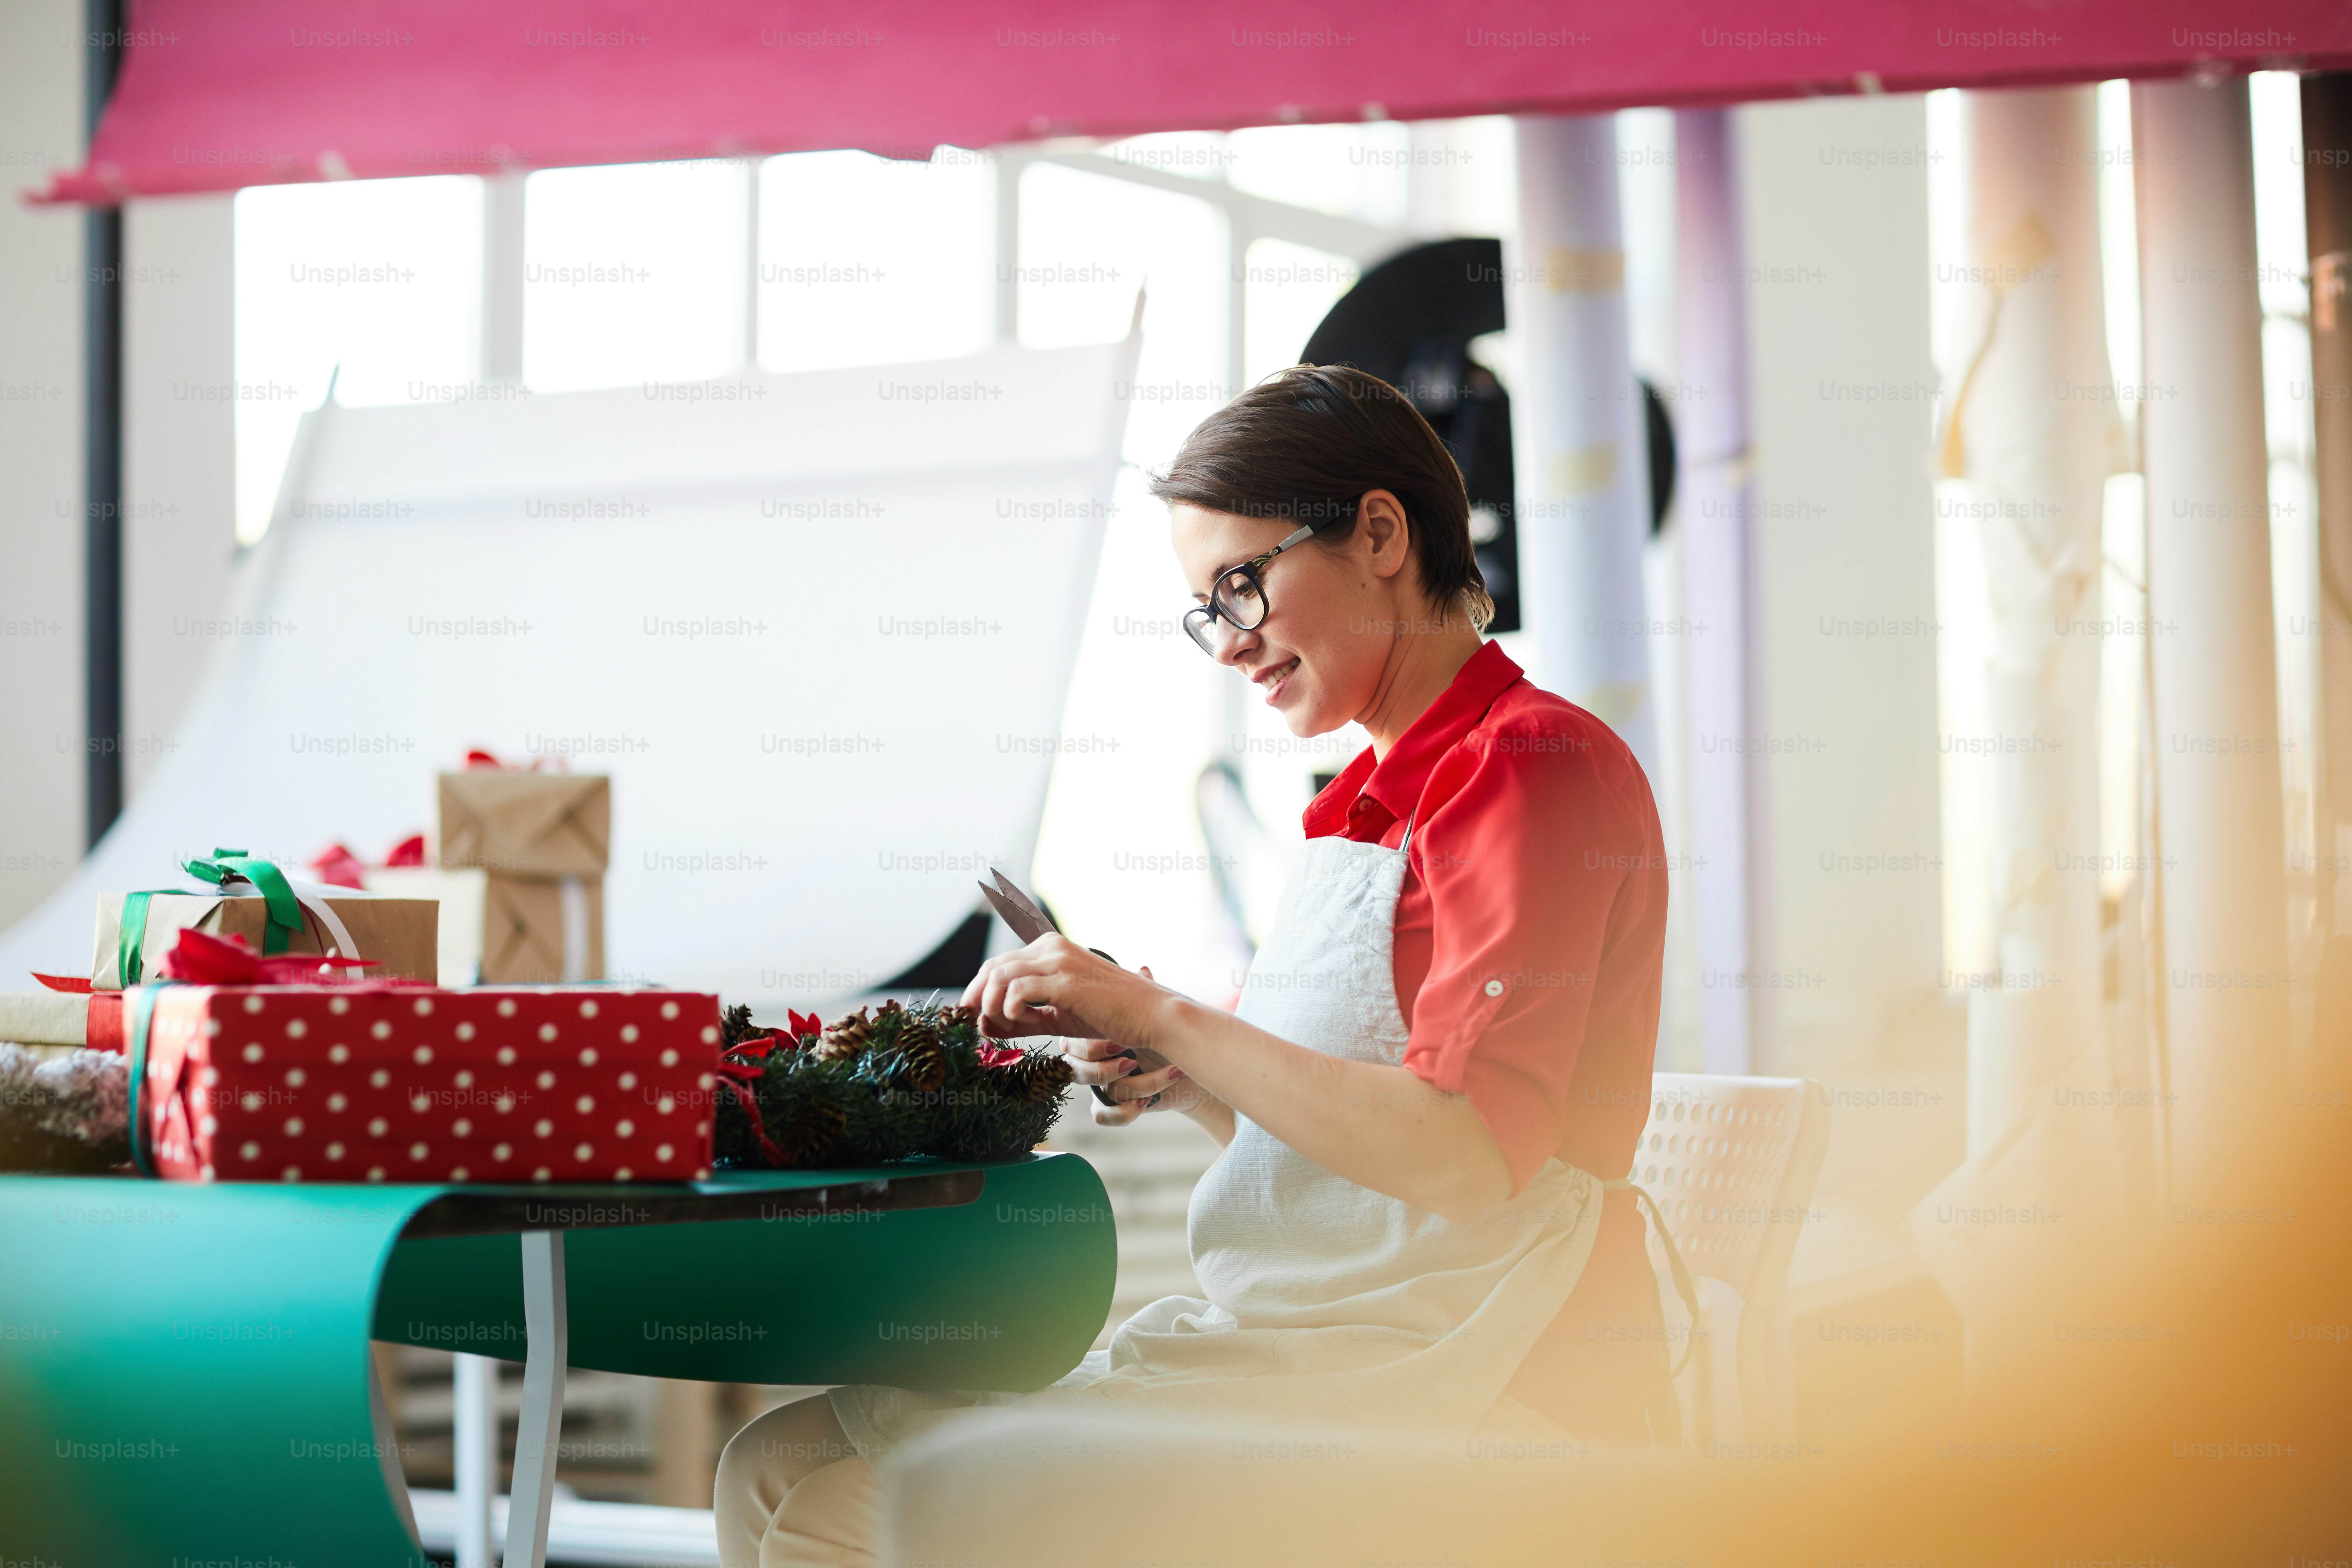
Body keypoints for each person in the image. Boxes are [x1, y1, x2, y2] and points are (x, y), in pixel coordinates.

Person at [716, 364, 1672, 1567]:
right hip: (1359, 1343)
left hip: (1490, 1384)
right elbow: (1354, 1177)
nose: (1228, 644)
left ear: (1380, 532)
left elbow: (1469, 1156)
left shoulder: (1527, 766)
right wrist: (1180, 1070)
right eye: (1205, 607)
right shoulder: (1359, 812)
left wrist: (1160, 1009)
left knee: (846, 1509)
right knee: (776, 1459)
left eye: (1241, 584)